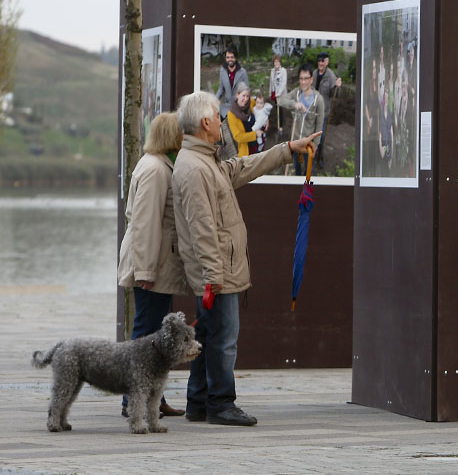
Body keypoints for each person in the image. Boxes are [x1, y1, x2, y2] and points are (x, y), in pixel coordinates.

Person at [172, 91, 320, 426]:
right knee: (224, 340)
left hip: (218, 267)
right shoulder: (195, 168)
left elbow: (241, 167)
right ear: (205, 122)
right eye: (217, 115)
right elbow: (202, 227)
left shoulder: (205, 162)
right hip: (218, 270)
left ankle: (198, 402)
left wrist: (287, 150)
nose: (222, 120)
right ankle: (221, 404)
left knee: (208, 335)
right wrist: (214, 275)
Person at [117, 112, 191, 418]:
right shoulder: (156, 171)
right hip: (152, 267)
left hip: (157, 265)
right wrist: (146, 272)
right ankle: (133, 402)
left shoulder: (158, 165)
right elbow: (145, 225)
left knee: (156, 336)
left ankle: (152, 399)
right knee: (147, 334)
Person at [278, 64, 325, 176]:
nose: (303, 82)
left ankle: (307, 186)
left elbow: (319, 125)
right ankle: (298, 182)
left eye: (306, 78)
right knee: (297, 166)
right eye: (301, 78)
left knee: (308, 170)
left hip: (308, 143)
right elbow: (281, 101)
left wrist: (316, 145)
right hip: (296, 140)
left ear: (311, 79)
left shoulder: (318, 100)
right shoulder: (297, 93)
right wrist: (295, 104)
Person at [312, 52, 342, 168]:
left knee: (321, 136)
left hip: (323, 112)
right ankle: (313, 156)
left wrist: (337, 87)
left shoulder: (331, 76)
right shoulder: (314, 74)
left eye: (323, 61)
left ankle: (320, 157)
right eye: (319, 61)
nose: (320, 63)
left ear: (327, 62)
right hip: (312, 110)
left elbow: (334, 94)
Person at [224, 83, 262, 158]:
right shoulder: (231, 114)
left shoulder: (251, 103)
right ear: (237, 95)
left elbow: (260, 109)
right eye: (243, 96)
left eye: (247, 96)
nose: (246, 99)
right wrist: (255, 134)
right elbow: (238, 137)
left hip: (260, 144)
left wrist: (266, 119)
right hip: (247, 150)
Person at [215, 47, 248, 119]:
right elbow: (221, 89)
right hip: (227, 105)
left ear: (235, 58)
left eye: (232, 57)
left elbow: (247, 91)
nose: (230, 59)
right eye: (228, 57)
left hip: (239, 105)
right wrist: (214, 100)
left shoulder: (243, 72)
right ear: (225, 58)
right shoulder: (222, 71)